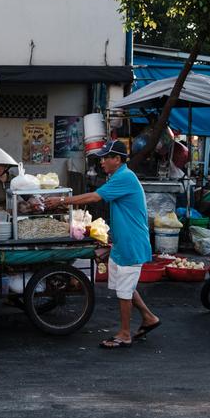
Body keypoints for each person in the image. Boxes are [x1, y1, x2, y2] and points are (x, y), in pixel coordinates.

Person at [43, 140, 160, 349]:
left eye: (106, 158)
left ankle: (125, 334)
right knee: (125, 287)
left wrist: (61, 200)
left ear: (117, 159)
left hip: (132, 244)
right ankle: (149, 317)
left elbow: (94, 197)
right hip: (122, 244)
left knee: (124, 291)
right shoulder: (118, 176)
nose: (102, 161)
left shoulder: (124, 177)